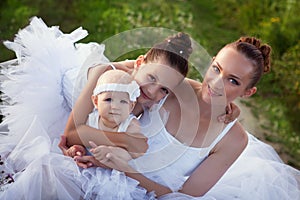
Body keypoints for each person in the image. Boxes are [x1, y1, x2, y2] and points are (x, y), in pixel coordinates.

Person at [0, 17, 237, 199]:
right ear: (139, 62)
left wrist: (227, 103)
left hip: (96, 120)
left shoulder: (147, 99)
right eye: (151, 78)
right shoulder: (106, 75)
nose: (152, 93)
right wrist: (124, 139)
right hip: (63, 95)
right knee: (31, 162)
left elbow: (196, 88)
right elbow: (72, 134)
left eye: (164, 90)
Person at [63, 35, 300, 200]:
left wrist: (124, 169)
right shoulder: (173, 86)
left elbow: (184, 197)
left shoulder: (233, 140)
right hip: (100, 166)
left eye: (233, 81)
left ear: (248, 92)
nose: (215, 84)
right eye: (216, 69)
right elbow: (130, 74)